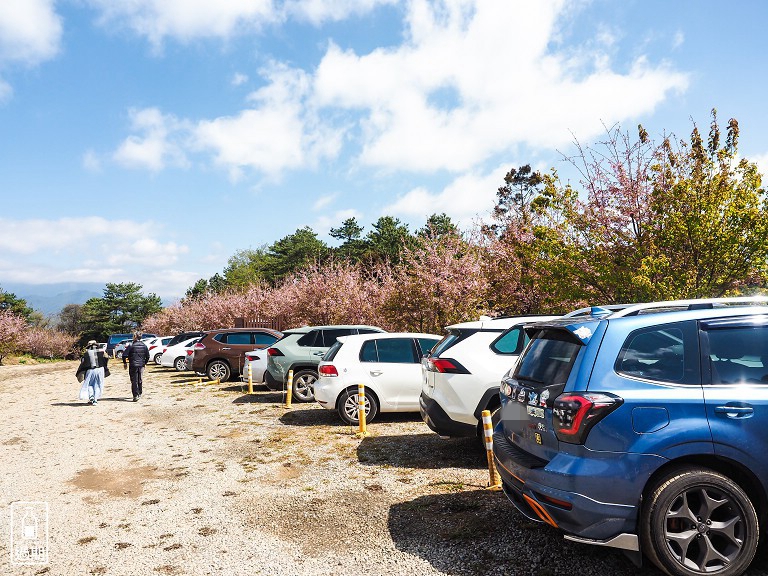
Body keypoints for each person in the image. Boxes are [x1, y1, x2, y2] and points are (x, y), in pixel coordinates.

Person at [76, 340, 109, 405]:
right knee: (98, 384)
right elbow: (106, 358)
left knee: (89, 384)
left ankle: (91, 397)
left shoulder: (87, 353)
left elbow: (83, 362)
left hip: (91, 370)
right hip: (100, 370)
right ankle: (95, 400)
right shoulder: (102, 351)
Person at [123, 332, 149, 402]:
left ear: (135, 337)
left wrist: (125, 363)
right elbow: (148, 356)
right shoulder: (144, 345)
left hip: (133, 365)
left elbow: (124, 355)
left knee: (134, 381)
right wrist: (144, 363)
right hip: (141, 365)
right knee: (140, 379)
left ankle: (135, 395)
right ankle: (140, 392)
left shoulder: (131, 345)